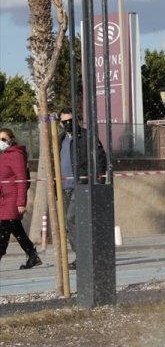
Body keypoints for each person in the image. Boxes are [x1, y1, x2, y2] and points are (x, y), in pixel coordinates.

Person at [58, 108, 108, 269]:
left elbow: (100, 159)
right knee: (70, 222)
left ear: (77, 120)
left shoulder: (87, 136)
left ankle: (86, 256)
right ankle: (82, 255)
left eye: (70, 121)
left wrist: (98, 182)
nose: (68, 124)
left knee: (73, 219)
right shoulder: (59, 140)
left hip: (82, 186)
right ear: (60, 123)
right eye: (64, 122)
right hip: (64, 187)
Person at [0, 128, 42, 270]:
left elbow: (21, 179)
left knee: (3, 231)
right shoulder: (4, 155)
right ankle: (32, 255)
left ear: (11, 140)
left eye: (4, 139)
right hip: (3, 199)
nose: (1, 142)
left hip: (12, 199)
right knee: (16, 229)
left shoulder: (16, 155)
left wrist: (20, 203)